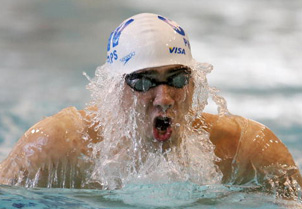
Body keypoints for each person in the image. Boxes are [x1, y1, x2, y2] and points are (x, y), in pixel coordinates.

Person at [0, 13, 301, 197]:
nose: (164, 98)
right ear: (114, 90)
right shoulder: (55, 146)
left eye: (177, 79)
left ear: (194, 83)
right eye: (143, 82)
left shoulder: (244, 150)